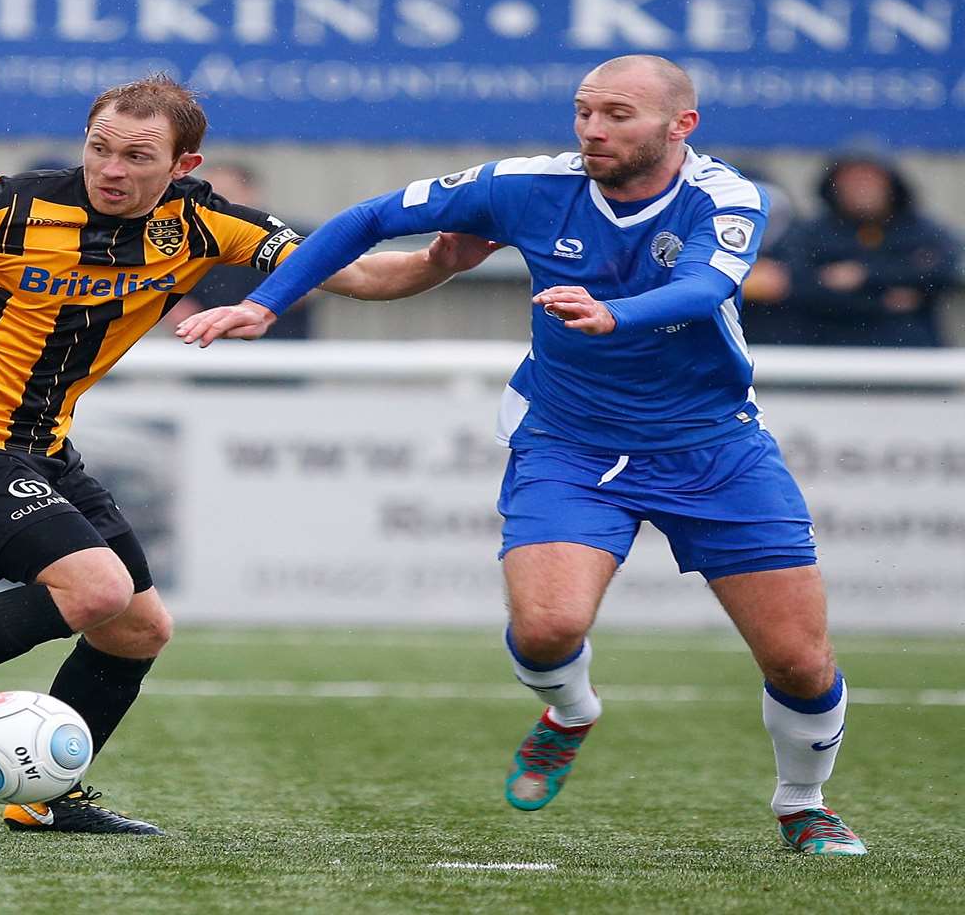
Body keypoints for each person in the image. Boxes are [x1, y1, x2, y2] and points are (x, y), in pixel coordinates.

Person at [0, 75, 492, 833]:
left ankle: (42, 795)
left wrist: (439, 263)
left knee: (136, 626)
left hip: (42, 452)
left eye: (136, 157)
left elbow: (352, 271)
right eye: (101, 149)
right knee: (94, 589)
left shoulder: (206, 225)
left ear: (183, 167)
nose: (112, 170)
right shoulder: (5, 205)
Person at [177, 55, 867, 857]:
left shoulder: (724, 195)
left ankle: (803, 802)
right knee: (546, 629)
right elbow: (366, 219)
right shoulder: (529, 184)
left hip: (714, 447)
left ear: (682, 127)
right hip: (570, 442)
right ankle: (571, 712)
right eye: (584, 111)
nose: (593, 130)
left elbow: (707, 286)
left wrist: (615, 315)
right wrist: (265, 304)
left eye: (618, 114)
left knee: (799, 660)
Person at [742, 152, 959, 347]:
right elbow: (793, 284)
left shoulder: (922, 231)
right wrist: (882, 300)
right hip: (830, 357)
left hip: (912, 357)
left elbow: (944, 271)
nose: (863, 188)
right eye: (852, 181)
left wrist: (864, 274)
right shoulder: (812, 234)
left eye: (871, 180)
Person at [163, 161, 312, 339]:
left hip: (281, 346)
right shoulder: (189, 242)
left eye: (225, 195)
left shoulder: (291, 236)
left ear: (251, 193)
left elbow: (324, 277)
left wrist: (273, 300)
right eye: (209, 198)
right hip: (209, 348)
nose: (215, 204)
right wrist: (174, 307)